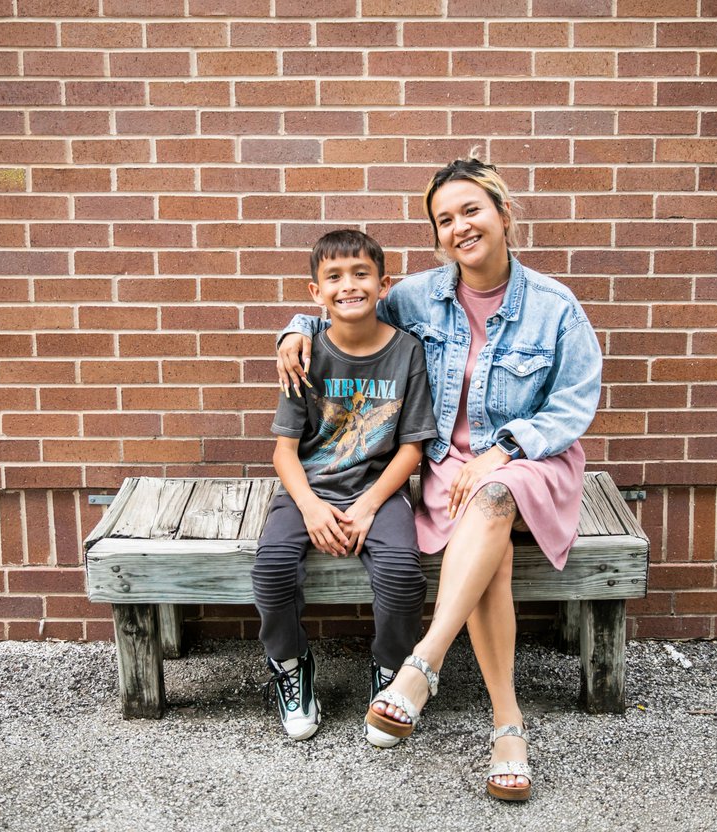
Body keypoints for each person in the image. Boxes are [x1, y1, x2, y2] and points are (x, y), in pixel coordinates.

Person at [277, 156, 602, 799]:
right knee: (492, 548)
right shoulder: (418, 295)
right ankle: (507, 725)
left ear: (505, 216)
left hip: (531, 462)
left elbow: (573, 403)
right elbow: (345, 309)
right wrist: (296, 330)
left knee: (495, 494)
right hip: (449, 467)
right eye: (445, 220)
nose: (460, 227)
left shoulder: (554, 307)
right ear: (437, 237)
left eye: (472, 210)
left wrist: (503, 450)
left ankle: (424, 664)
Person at [254, 229, 438, 742]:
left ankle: (392, 671)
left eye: (361, 274)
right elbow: (284, 451)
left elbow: (411, 448)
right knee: (270, 568)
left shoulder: (407, 353)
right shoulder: (305, 355)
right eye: (333, 276)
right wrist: (310, 506)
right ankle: (291, 667)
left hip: (380, 491)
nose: (348, 285)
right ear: (315, 292)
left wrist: (369, 505)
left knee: (403, 573)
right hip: (308, 488)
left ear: (384, 285)